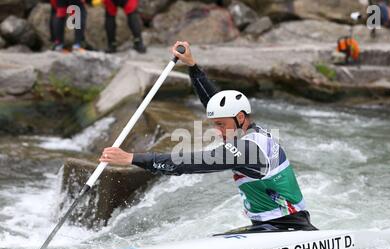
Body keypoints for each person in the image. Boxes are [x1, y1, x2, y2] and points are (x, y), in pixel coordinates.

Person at [99, 41, 318, 232]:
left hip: (289, 228)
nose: (218, 130)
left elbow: (188, 164)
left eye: (221, 125)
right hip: (268, 226)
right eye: (216, 125)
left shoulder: (248, 150)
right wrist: (193, 67)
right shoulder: (251, 131)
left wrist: (132, 159)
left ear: (240, 118)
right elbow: (215, 102)